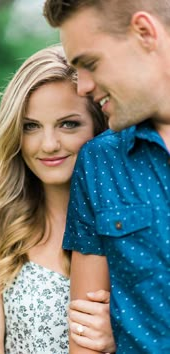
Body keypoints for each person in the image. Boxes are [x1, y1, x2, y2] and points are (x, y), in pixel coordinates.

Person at [0, 45, 115, 354]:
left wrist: (120, 335)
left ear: (99, 127)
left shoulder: (131, 221)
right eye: (30, 127)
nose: (48, 144)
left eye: (68, 124)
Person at [43, 1, 170, 353]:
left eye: (90, 64)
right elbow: (84, 337)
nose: (82, 86)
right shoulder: (100, 163)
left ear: (145, 33)